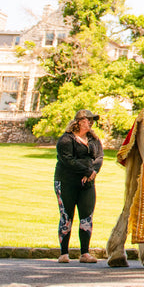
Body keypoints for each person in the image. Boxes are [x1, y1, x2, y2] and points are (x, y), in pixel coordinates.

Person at [54, 108, 104, 264]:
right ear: (79, 121)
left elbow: (99, 157)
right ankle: (64, 253)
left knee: (86, 216)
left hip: (87, 183)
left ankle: (85, 252)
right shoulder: (66, 140)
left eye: (92, 121)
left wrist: (93, 171)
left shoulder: (93, 140)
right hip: (67, 181)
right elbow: (67, 160)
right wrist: (87, 170)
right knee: (66, 216)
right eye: (88, 120)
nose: (91, 123)